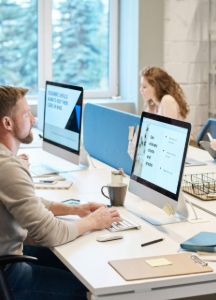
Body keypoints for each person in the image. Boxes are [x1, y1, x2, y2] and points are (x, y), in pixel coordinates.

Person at [0, 85, 123, 300]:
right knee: (90, 290)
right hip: (8, 273)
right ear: (7, 123)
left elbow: (26, 201)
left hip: (7, 260)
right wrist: (94, 221)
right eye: (26, 114)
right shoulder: (7, 166)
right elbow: (49, 234)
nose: (33, 119)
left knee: (84, 266)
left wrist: (75, 209)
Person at [140, 66, 197, 146]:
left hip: (185, 147)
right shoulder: (153, 105)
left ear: (156, 87)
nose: (141, 90)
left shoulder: (167, 100)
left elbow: (169, 134)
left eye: (144, 86)